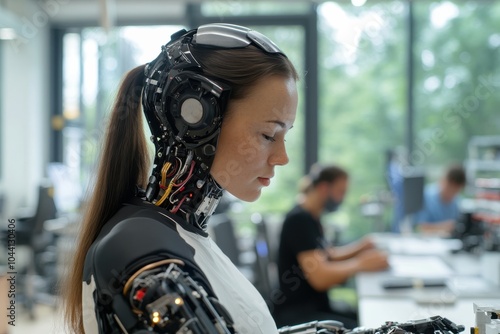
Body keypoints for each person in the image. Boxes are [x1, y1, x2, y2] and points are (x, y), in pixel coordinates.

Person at [62, 23, 299, 334]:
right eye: (269, 134)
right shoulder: (140, 247)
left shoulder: (178, 236)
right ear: (196, 120)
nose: (282, 157)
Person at [274, 164, 389, 328]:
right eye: (340, 192)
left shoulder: (311, 216)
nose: (342, 198)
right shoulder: (299, 220)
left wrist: (361, 247)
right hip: (299, 314)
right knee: (370, 326)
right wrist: (360, 264)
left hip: (315, 308)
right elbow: (319, 277)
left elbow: (328, 255)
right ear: (323, 188)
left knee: (371, 320)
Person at [415, 164, 466, 236]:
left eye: (455, 192)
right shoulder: (426, 196)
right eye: (450, 190)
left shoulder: (456, 200)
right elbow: (421, 228)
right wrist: (447, 227)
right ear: (443, 181)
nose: (451, 195)